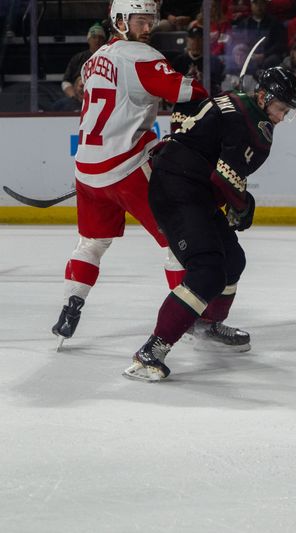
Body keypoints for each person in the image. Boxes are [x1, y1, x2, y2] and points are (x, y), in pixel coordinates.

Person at [123, 66, 296, 381]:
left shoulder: (234, 103)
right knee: (207, 270)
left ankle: (207, 326)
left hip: (191, 188)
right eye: (280, 108)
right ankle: (151, 350)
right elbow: (227, 178)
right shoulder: (248, 123)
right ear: (263, 96)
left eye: (287, 112)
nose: (280, 116)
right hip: (177, 190)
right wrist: (244, 208)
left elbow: (185, 116)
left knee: (233, 260)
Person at [52, 0, 209, 350]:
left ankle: (70, 307)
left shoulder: (93, 61)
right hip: (125, 167)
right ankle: (190, 318)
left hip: (87, 168)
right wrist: (194, 85)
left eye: (150, 19)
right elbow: (187, 93)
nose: (147, 26)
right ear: (120, 20)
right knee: (176, 240)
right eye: (140, 19)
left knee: (92, 242)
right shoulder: (140, 55)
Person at [61, 24, 107, 101]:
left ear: (104, 41)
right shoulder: (78, 58)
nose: (97, 40)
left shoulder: (109, 58)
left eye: (101, 38)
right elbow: (66, 82)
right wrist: (74, 97)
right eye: (94, 37)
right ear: (88, 40)